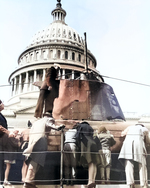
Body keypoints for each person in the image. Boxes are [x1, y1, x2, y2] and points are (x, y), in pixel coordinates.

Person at [23, 112, 65, 188]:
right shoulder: (48, 119)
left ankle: (30, 181)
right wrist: (59, 127)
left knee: (33, 160)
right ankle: (29, 180)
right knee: (37, 160)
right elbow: (50, 124)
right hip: (41, 141)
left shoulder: (36, 122)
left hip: (32, 142)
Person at [118, 124, 149, 188]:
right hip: (138, 142)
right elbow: (149, 140)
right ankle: (143, 183)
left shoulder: (130, 127)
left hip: (128, 143)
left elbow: (122, 134)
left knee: (128, 163)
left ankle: (130, 183)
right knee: (142, 163)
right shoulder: (144, 129)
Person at [75, 121, 100, 188]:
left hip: (86, 144)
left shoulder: (80, 126)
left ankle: (90, 181)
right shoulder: (90, 127)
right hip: (93, 144)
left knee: (90, 162)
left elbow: (77, 136)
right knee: (94, 163)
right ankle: (93, 180)